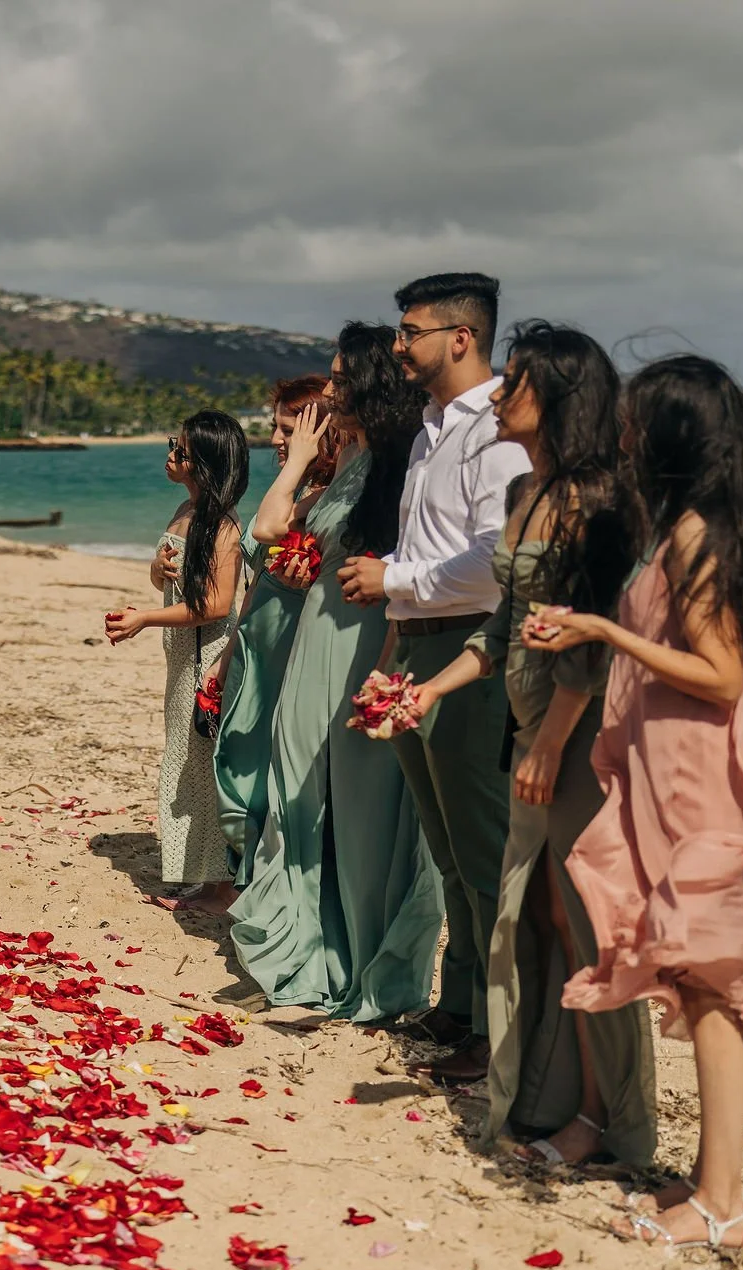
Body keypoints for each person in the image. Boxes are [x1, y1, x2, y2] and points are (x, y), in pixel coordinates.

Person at [529, 355, 743, 1252]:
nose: (622, 432)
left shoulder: (700, 534)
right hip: (675, 773)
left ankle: (721, 1203)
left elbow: (722, 672)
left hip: (698, 783)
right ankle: (711, 1191)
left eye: (635, 421)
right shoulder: (714, 526)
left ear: (669, 436)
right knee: (697, 979)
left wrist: (604, 629)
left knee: (709, 988)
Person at [406, 323, 655, 1166]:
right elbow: (506, 627)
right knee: (536, 919)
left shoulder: (600, 500)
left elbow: (593, 637)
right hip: (531, 730)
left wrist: (549, 739)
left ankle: (606, 1121)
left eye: (518, 382)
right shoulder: (528, 496)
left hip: (578, 741)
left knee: (583, 924)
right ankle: (546, 1102)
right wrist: (430, 689)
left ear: (559, 398)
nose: (501, 393)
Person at [337, 272, 530, 1080]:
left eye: (410, 330)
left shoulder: (497, 430)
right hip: (418, 643)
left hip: (471, 650)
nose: (396, 346)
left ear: (460, 337)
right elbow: (433, 550)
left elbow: (497, 563)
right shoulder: (426, 430)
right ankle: (458, 1005)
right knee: (445, 844)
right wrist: (391, 638)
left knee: (481, 846)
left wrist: (395, 582)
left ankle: (497, 1029)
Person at [227, 324, 442, 1020]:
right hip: (313, 652)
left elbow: (413, 583)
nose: (331, 391)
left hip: (363, 651)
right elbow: (266, 530)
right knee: (298, 796)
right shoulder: (350, 461)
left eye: (342, 380)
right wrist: (299, 461)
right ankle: (310, 951)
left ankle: (364, 967)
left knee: (362, 811)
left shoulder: (404, 465)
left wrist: (385, 673)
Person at [104, 412, 250, 899]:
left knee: (203, 761)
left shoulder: (223, 528)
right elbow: (166, 584)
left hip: (209, 655)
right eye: (173, 445)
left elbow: (216, 605)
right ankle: (195, 868)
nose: (170, 457)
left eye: (182, 452)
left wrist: (145, 618)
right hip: (181, 656)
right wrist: (155, 568)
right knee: (184, 758)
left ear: (204, 465)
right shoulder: (182, 514)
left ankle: (220, 883)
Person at [210, 376, 348, 886]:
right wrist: (228, 655)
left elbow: (275, 537)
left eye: (288, 428)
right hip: (255, 649)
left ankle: (263, 890)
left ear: (324, 432)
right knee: (238, 765)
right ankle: (243, 885)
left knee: (274, 779)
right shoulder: (301, 488)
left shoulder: (332, 497)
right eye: (276, 427)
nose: (276, 440)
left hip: (294, 655)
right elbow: (255, 581)